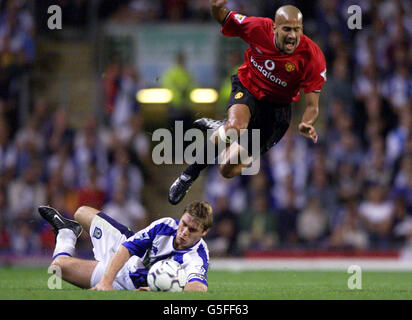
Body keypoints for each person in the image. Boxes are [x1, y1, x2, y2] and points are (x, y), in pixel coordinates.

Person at [168, 1, 326, 205]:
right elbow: (223, 16)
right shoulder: (258, 27)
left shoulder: (312, 56)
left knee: (226, 169)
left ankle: (225, 131)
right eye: (287, 29)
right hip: (248, 89)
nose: (292, 35)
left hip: (276, 113)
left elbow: (313, 105)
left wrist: (307, 122)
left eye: (297, 30)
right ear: (275, 27)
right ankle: (188, 176)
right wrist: (216, 7)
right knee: (235, 127)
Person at [38, 200, 212, 292]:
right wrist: (105, 282)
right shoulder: (165, 225)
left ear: (204, 232)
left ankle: (66, 234)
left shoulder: (197, 255)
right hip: (123, 253)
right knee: (81, 212)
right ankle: (72, 227)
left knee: (57, 267)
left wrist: (158, 290)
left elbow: (198, 287)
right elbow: (127, 248)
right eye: (183, 224)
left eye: (192, 230)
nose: (184, 232)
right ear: (180, 218)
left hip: (127, 285)